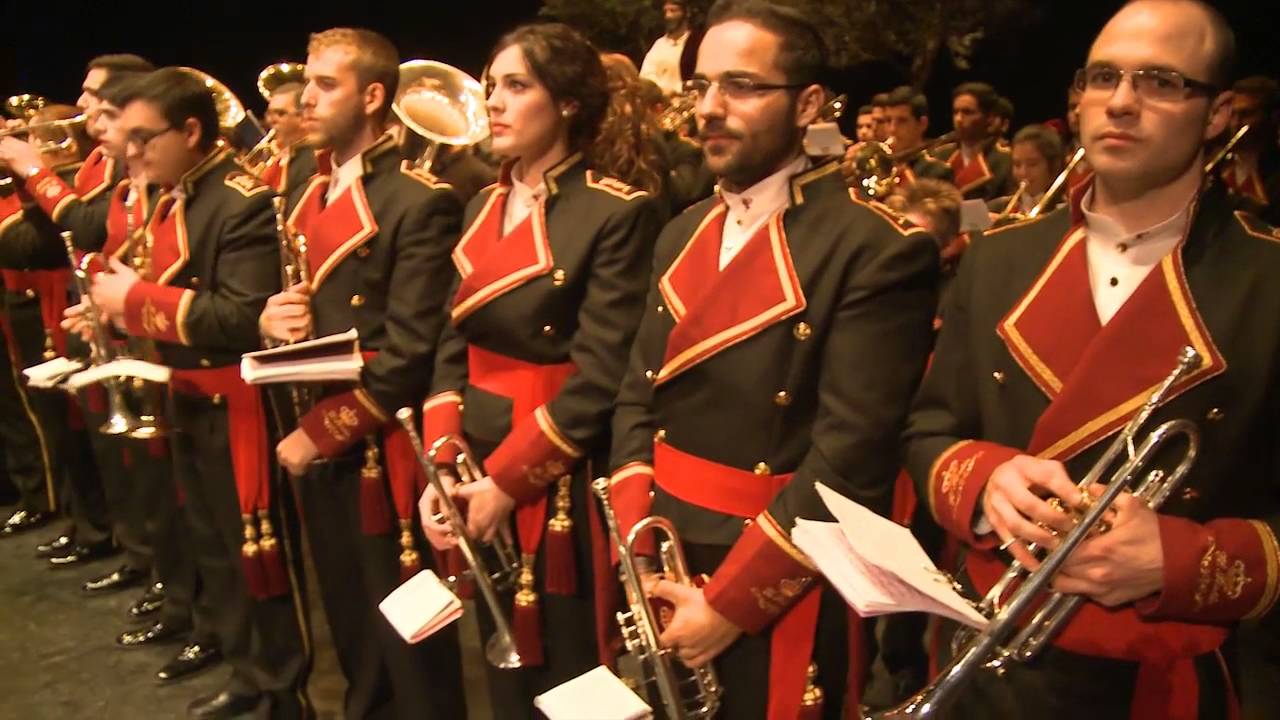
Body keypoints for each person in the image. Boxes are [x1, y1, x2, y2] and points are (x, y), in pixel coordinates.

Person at [902, 2, 1280, 717]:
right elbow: (928, 431)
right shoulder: (999, 259)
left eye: (1162, 82)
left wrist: (1180, 562)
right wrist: (985, 483)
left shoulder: (1267, 278)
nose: (1122, 101)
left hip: (1166, 677)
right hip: (982, 668)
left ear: (1220, 112)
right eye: (1103, 77)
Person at [606, 1, 939, 717]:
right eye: (699, 88)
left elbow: (853, 455)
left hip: (776, 567)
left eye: (743, 87)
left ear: (808, 103)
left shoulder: (875, 246)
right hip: (664, 558)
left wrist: (731, 602)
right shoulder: (682, 230)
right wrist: (635, 536)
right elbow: (638, 395)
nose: (711, 109)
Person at [417, 22, 664, 718]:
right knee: (501, 658)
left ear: (569, 106)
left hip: (559, 470)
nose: (493, 102)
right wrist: (444, 459)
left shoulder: (618, 211)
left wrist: (505, 481)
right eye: (492, 85)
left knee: (570, 666)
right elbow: (449, 344)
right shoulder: (479, 205)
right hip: (477, 454)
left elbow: (602, 374)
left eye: (517, 86)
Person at [82, 67, 307, 718]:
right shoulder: (169, 192)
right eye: (126, 139)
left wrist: (136, 302)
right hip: (183, 394)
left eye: (143, 139)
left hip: (237, 402)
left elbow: (243, 313)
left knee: (255, 556)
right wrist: (113, 309)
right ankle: (248, 675)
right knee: (212, 548)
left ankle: (282, 694)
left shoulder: (240, 199)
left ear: (190, 130)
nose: (131, 154)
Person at [260, 27, 468, 720]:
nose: (305, 98)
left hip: (379, 440)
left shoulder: (418, 197)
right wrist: (274, 320)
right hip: (319, 431)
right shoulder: (304, 183)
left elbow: (411, 350)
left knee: (408, 632)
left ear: (374, 96)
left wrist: (320, 433)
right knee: (350, 619)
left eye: (326, 86)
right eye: (307, 82)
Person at [933, 81, 1015, 200]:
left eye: (967, 112)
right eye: (956, 112)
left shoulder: (1006, 160)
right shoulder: (940, 156)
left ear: (989, 117)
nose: (959, 119)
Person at [1216, 75, 1280, 222]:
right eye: (1233, 115)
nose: (1236, 123)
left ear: (1274, 117)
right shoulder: (1218, 164)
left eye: (1246, 114)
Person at [988, 123, 1066, 218]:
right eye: (1017, 165)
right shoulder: (997, 208)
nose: (1023, 172)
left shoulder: (1065, 211)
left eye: (1032, 164)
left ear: (1052, 167)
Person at [882, 85, 954, 186]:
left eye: (902, 121)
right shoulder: (880, 168)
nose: (892, 129)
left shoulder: (937, 171)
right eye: (888, 120)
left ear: (922, 124)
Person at [641, 1, 694, 97]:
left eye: (673, 11)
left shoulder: (696, 42)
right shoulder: (659, 45)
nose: (668, 16)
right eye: (665, 12)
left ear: (687, 13)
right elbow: (646, 77)